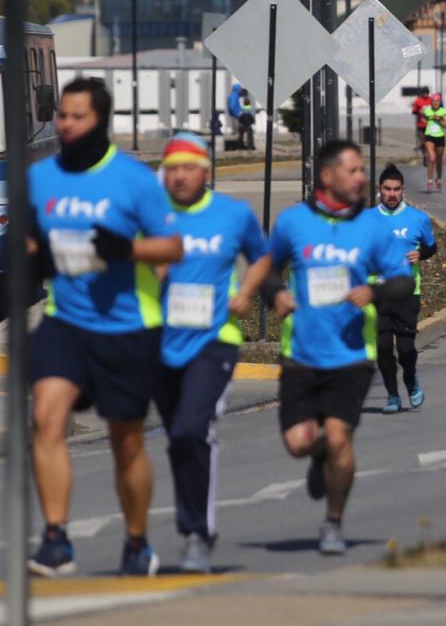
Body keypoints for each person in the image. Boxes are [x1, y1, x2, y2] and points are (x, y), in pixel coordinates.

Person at [26, 78, 184, 577]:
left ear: (100, 121)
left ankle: (137, 542)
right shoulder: (42, 177)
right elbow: (30, 239)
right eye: (62, 116)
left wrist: (126, 249)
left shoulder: (133, 180)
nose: (66, 125)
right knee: (46, 418)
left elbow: (172, 247)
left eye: (78, 117)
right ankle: (55, 540)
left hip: (126, 326)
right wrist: (37, 258)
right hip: (66, 320)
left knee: (127, 441)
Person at [266, 140, 415, 554]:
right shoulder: (294, 222)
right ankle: (318, 457)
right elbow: (265, 267)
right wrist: (276, 293)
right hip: (301, 352)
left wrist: (375, 290)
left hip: (352, 352)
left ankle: (333, 522)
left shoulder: (371, 227)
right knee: (299, 443)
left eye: (361, 171)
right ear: (327, 176)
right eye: (352, 170)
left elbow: (402, 280)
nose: (361, 178)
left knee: (338, 438)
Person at [155, 132, 270, 573]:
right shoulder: (153, 216)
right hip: (161, 343)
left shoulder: (231, 214)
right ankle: (195, 526)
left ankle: (197, 533)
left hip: (213, 340)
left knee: (190, 430)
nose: (180, 176)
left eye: (188, 168)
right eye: (173, 169)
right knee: (177, 439)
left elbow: (262, 256)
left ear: (205, 171)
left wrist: (245, 294)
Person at [369, 165, 437, 414]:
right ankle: (392, 396)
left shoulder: (418, 219)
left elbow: (431, 247)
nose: (391, 194)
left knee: (406, 349)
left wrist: (421, 254)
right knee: (384, 348)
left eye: (396, 189)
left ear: (403, 191)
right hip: (377, 291)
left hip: (408, 291)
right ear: (379, 190)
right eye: (387, 189)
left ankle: (410, 378)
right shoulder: (366, 219)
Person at [421, 92, 446, 192]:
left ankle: (439, 178)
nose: (435, 103)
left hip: (440, 137)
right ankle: (429, 181)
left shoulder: (443, 111)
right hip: (429, 136)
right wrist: (424, 120)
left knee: (439, 161)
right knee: (432, 158)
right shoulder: (427, 110)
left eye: (437, 101)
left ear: (440, 102)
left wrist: (439, 119)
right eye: (433, 101)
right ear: (431, 102)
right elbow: (423, 116)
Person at [411, 86, 431, 164]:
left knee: (429, 142)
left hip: (430, 125)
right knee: (423, 141)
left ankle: (429, 155)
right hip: (421, 125)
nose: (425, 94)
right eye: (424, 93)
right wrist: (419, 112)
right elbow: (413, 111)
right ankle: (425, 156)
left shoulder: (431, 100)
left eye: (427, 93)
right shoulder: (418, 101)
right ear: (422, 93)